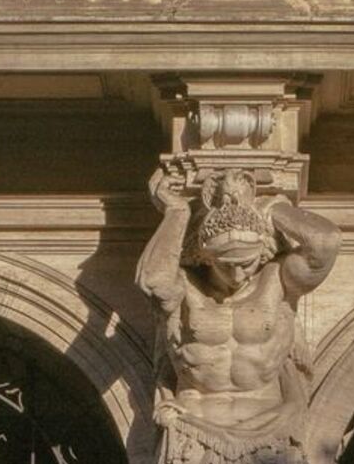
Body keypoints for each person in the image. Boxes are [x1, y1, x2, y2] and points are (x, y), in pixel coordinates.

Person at [134, 169, 340, 464]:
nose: (237, 273)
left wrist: (270, 209)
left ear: (263, 251)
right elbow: (153, 280)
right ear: (205, 257)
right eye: (224, 265)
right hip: (195, 431)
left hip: (270, 433)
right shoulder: (187, 287)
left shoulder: (277, 281)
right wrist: (177, 213)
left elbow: (326, 242)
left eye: (247, 262)